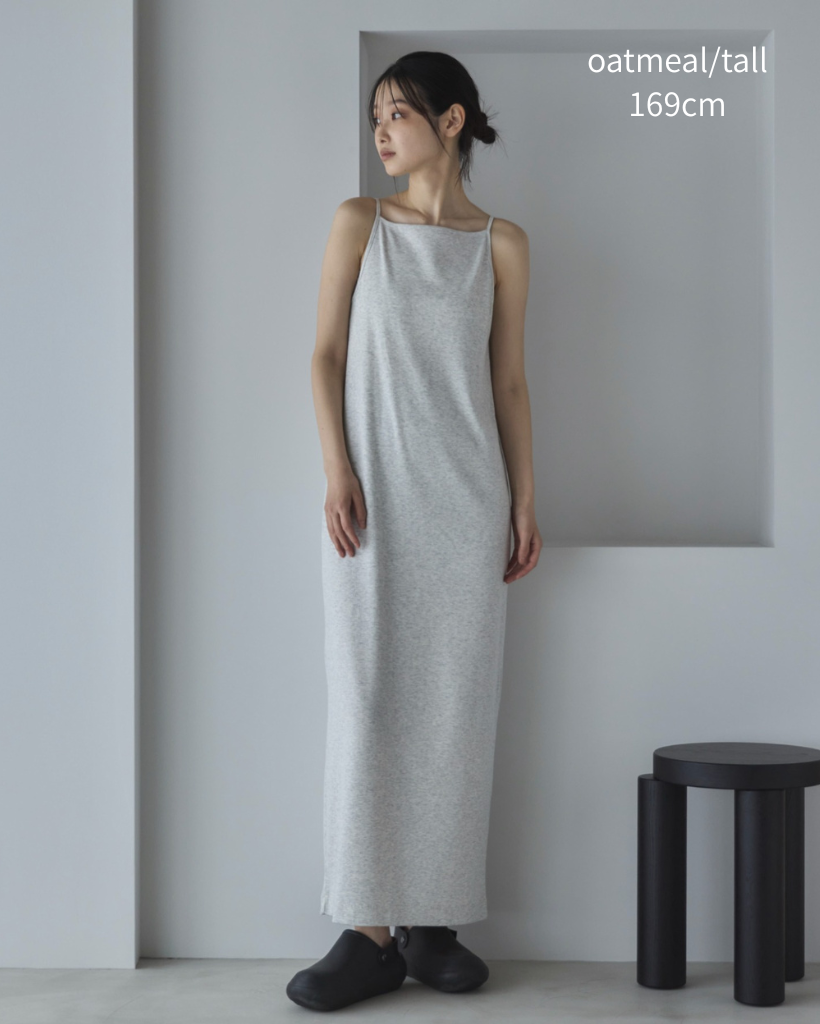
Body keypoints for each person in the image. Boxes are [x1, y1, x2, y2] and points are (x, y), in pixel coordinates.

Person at [287, 51, 542, 1013]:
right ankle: (367, 929)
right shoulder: (359, 223)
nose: (381, 132)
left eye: (397, 114)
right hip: (375, 506)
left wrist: (525, 500)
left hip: (468, 504)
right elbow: (323, 355)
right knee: (367, 705)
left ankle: (433, 922)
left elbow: (508, 383)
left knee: (455, 714)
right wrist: (337, 469)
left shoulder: (503, 245)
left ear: (452, 120)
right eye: (376, 118)